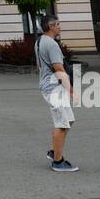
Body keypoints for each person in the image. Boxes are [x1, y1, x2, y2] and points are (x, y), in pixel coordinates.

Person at [36, 15, 78, 172]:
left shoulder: (39, 41)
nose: (60, 27)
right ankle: (58, 162)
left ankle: (54, 151)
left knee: (68, 120)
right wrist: (71, 90)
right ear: (51, 26)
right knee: (61, 124)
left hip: (47, 85)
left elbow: (38, 65)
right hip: (54, 88)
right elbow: (59, 69)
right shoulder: (52, 44)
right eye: (58, 24)